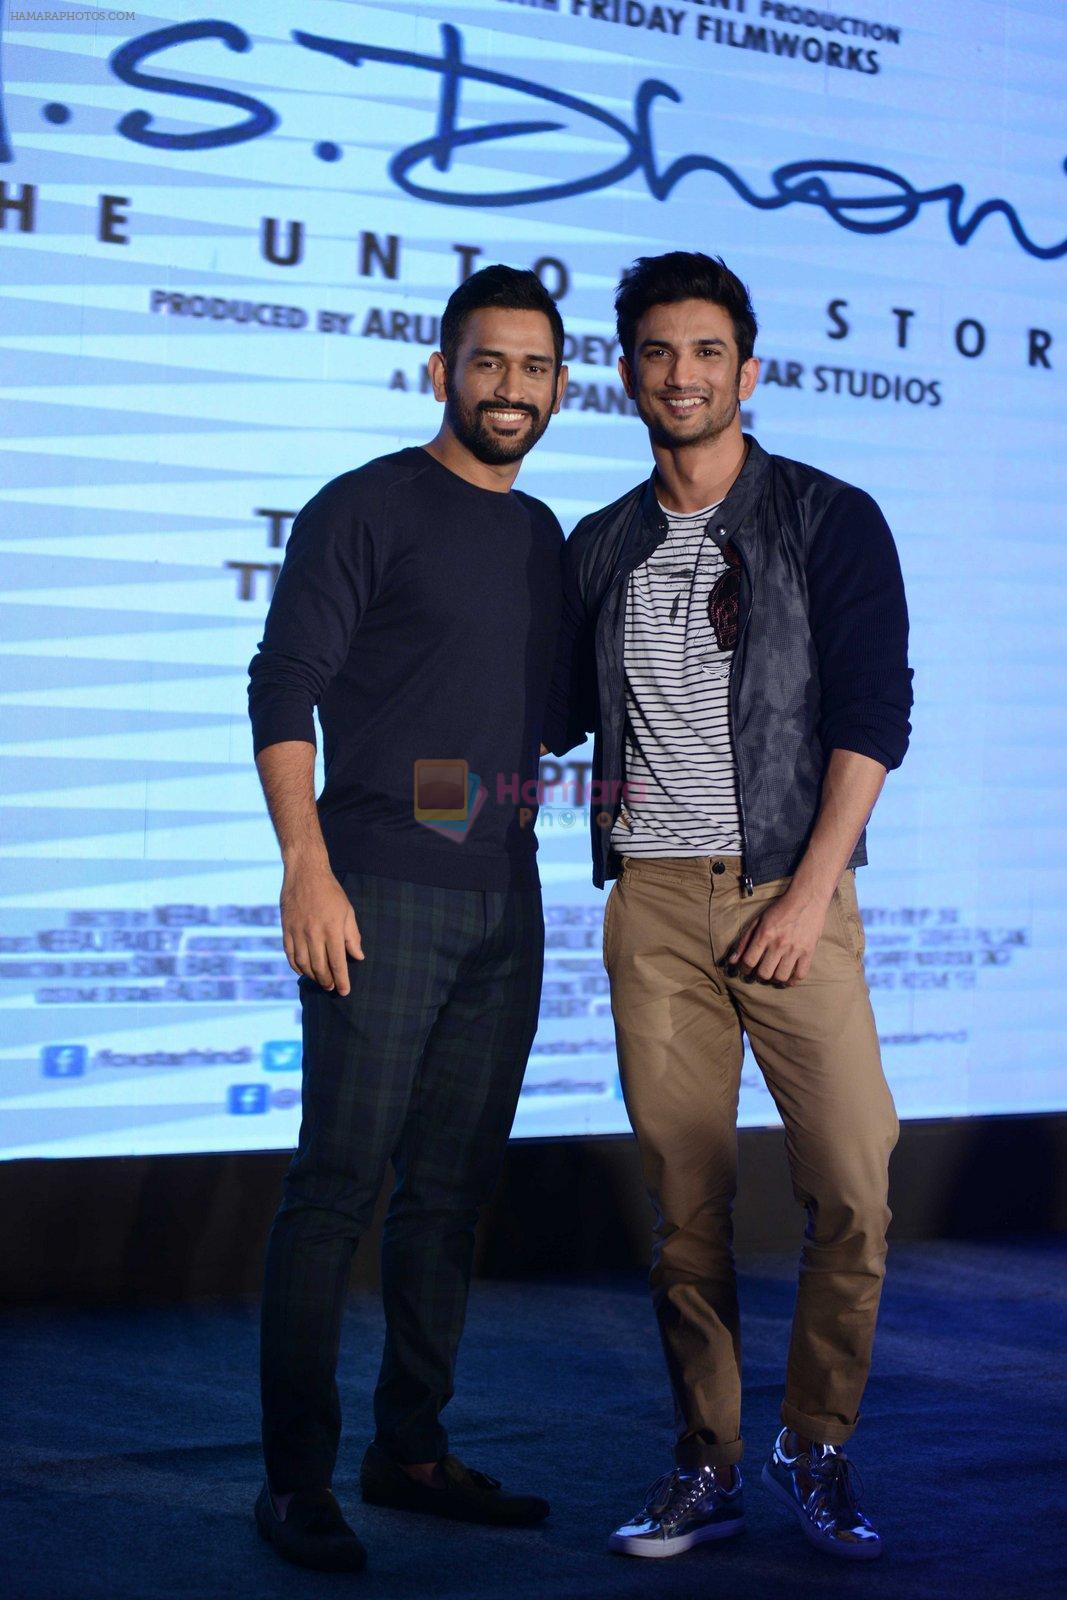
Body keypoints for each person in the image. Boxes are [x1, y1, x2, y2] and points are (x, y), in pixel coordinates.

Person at [542, 251, 912, 1563]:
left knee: (857, 1181)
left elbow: (874, 719)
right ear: (629, 374)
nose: (683, 374)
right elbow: (545, 725)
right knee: (688, 1204)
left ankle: (817, 1444)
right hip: (651, 907)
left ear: (747, 372)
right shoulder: (601, 546)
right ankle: (705, 1461)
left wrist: (810, 894)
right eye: (658, 352)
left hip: (790, 894)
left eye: (708, 352)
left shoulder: (826, 517)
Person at [247, 265, 568, 1572]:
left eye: (535, 369)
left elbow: (522, 722)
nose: (511, 389)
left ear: (560, 387)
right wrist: (305, 864)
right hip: (376, 893)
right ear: (441, 370)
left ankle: (411, 1448)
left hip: (507, 901)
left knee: (449, 1193)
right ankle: (294, 1482)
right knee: (338, 1189)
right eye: (487, 363)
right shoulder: (366, 507)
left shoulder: (545, 534)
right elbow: (283, 685)